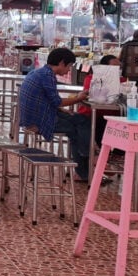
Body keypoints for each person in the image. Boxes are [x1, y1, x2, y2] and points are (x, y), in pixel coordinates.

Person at [18, 47, 91, 182]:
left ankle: (87, 157)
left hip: (34, 116)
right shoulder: (47, 76)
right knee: (78, 127)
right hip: (40, 121)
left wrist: (62, 109)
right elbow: (57, 101)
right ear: (62, 63)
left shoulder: (39, 72)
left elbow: (50, 100)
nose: (69, 70)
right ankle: (86, 161)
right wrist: (79, 98)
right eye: (69, 66)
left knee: (80, 120)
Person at [78, 54, 123, 148]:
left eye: (119, 67)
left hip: (112, 115)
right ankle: (97, 153)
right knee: (101, 123)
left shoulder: (123, 80)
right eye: (115, 67)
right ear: (104, 67)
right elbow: (90, 96)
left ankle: (117, 153)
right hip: (92, 114)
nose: (117, 70)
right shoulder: (92, 79)